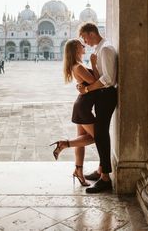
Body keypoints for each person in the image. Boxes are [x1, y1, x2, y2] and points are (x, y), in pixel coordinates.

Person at [50, 38, 99, 186]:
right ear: (75, 49)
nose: (84, 46)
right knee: (97, 137)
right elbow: (95, 81)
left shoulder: (78, 65)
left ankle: (78, 170)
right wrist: (94, 64)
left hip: (82, 106)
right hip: (83, 108)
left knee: (81, 141)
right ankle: (64, 144)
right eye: (80, 45)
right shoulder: (78, 67)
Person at [77, 23, 117, 193]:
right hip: (102, 95)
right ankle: (102, 170)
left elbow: (107, 79)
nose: (84, 42)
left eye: (85, 37)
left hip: (106, 95)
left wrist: (86, 89)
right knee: (100, 134)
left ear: (91, 33)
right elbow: (99, 76)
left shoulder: (106, 49)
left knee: (101, 135)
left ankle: (105, 178)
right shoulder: (99, 50)